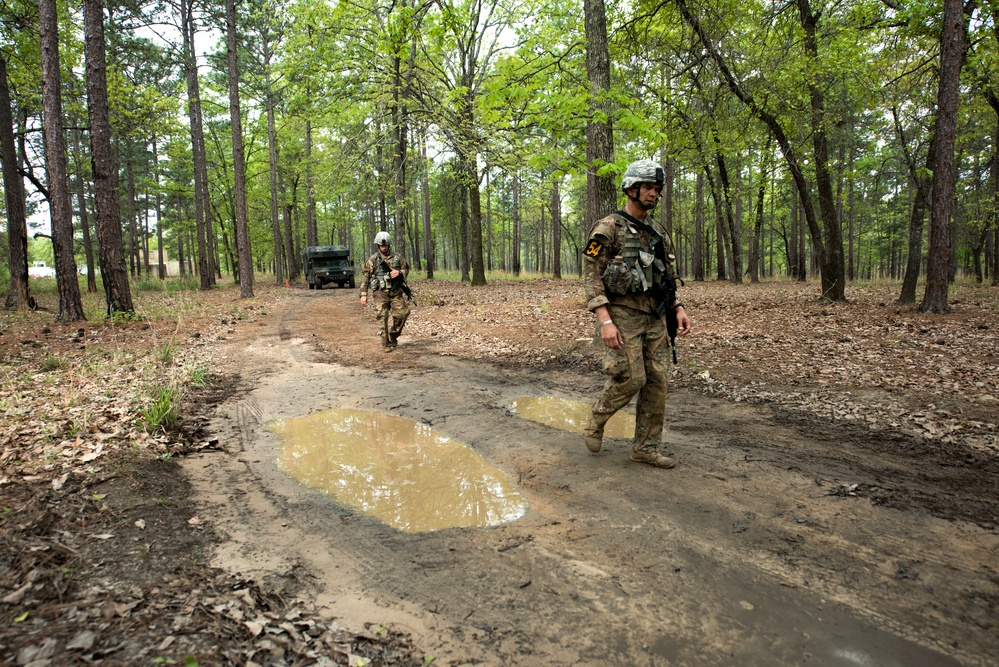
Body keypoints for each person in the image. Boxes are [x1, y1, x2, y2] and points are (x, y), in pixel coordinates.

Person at [581, 159, 692, 468]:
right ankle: (596, 420)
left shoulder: (659, 232)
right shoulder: (607, 228)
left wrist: (677, 308)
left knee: (658, 381)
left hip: (656, 315)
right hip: (622, 315)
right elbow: (591, 276)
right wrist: (605, 320)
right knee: (632, 378)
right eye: (647, 187)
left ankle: (645, 447)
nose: (652, 194)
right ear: (630, 188)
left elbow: (667, 277)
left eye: (656, 189)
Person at [360, 231, 411, 351]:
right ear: (378, 246)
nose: (383, 247)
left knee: (403, 313)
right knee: (382, 318)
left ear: (389, 245)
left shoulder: (398, 257)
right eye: (381, 246)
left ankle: (393, 335)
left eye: (385, 245)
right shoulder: (373, 260)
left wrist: (399, 272)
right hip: (379, 293)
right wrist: (363, 294)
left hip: (395, 292)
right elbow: (366, 277)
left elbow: (406, 269)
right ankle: (385, 344)